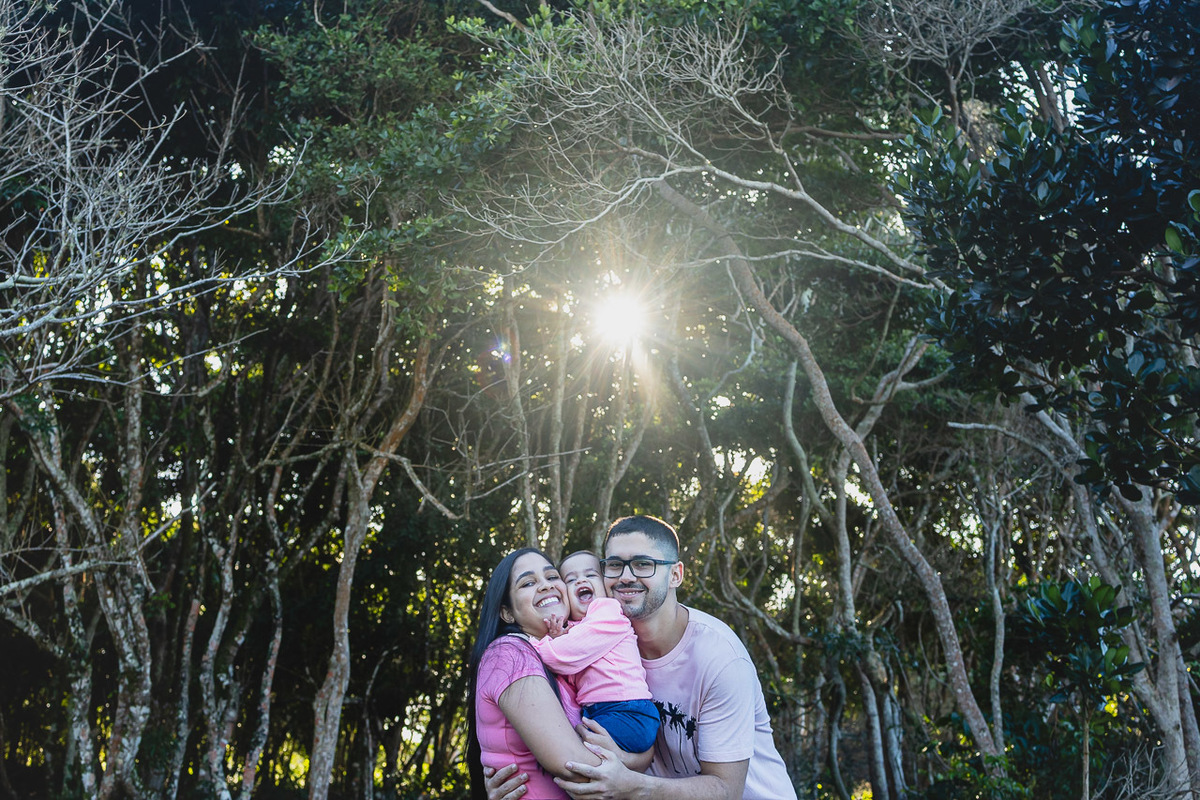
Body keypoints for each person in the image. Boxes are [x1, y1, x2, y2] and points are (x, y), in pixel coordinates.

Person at [485, 515, 797, 800]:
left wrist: (634, 785)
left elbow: (726, 790)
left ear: (675, 575)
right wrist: (517, 774)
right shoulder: (602, 645)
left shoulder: (720, 660)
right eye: (615, 565)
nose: (625, 576)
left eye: (643, 564)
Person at [467, 547, 605, 800]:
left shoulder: (557, 661)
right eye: (528, 583)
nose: (545, 586)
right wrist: (640, 760)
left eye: (552, 577)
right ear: (507, 612)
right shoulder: (509, 654)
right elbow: (576, 767)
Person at [531, 551, 657, 755]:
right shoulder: (577, 628)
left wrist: (535, 644)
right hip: (602, 712)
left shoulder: (608, 613)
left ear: (605, 586)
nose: (581, 580)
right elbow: (571, 674)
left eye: (590, 575)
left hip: (627, 711)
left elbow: (560, 656)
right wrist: (558, 637)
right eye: (571, 579)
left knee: (570, 751)